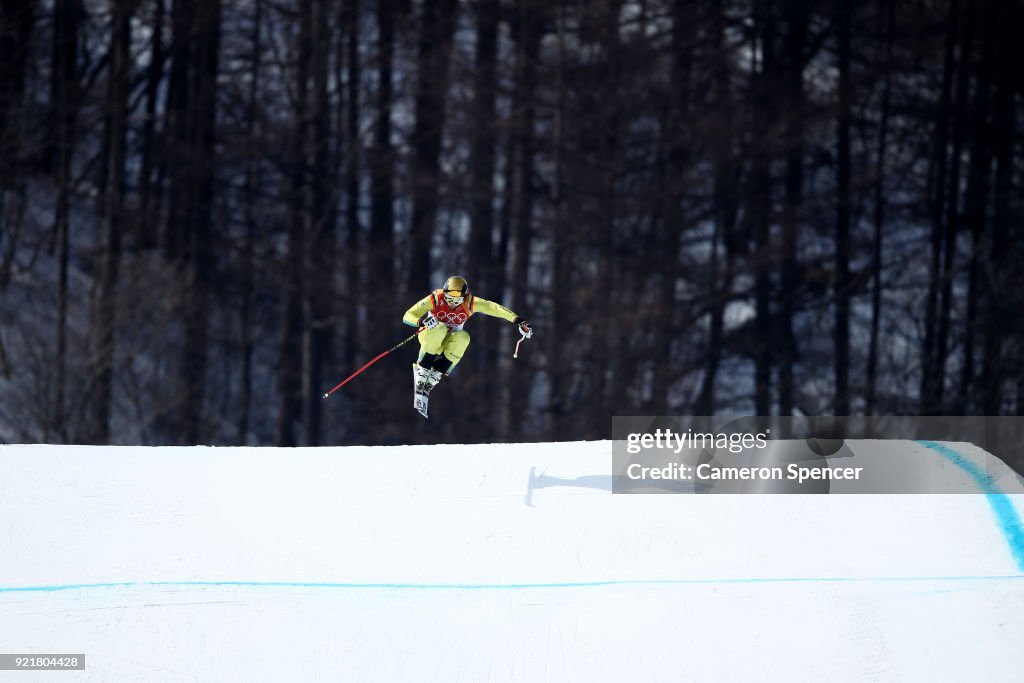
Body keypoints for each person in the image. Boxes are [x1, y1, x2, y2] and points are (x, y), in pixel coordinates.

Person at [403, 275, 532, 417]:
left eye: (455, 296)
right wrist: (421, 321)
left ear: (463, 295)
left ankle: (435, 375)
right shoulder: (436, 298)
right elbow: (408, 315)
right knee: (440, 328)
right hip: (431, 337)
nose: (451, 301)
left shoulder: (470, 303)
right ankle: (423, 368)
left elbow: (494, 308)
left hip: (448, 343)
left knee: (464, 337)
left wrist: (518, 320)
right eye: (448, 295)